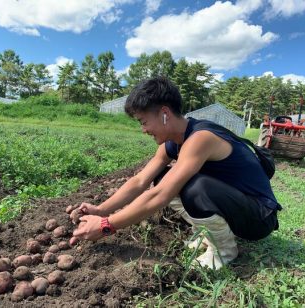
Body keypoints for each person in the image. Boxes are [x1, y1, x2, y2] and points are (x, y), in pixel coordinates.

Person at [72, 77, 281, 270]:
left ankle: (224, 251)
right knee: (163, 177)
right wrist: (100, 210)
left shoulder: (201, 138)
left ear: (165, 114)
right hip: (235, 205)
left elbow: (160, 195)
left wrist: (106, 226)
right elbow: (139, 181)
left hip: (259, 218)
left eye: (144, 122)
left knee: (193, 188)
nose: (143, 130)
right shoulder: (172, 143)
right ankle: (212, 235)